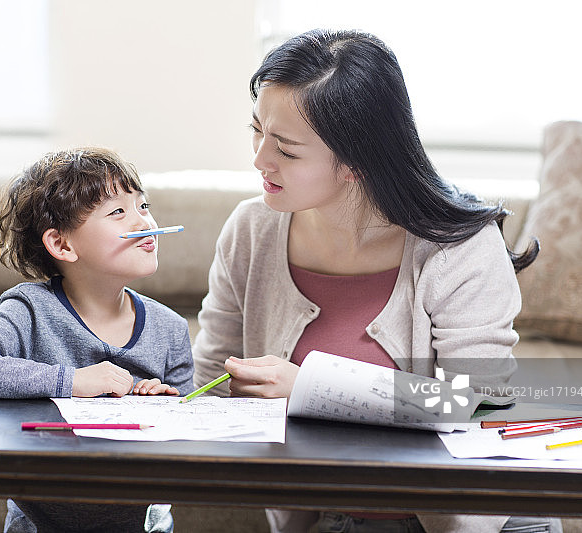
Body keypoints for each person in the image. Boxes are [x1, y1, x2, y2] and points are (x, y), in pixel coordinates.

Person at [192, 29, 557, 533]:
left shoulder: (460, 246)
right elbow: (210, 377)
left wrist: (312, 388)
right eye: (257, 130)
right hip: (331, 518)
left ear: (357, 162)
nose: (259, 159)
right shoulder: (252, 229)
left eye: (287, 150)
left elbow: (475, 405)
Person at [0, 147, 194, 533]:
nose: (144, 221)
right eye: (118, 211)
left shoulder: (170, 329)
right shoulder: (31, 310)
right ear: (62, 245)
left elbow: (188, 448)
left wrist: (162, 407)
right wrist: (74, 381)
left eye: (143, 204)